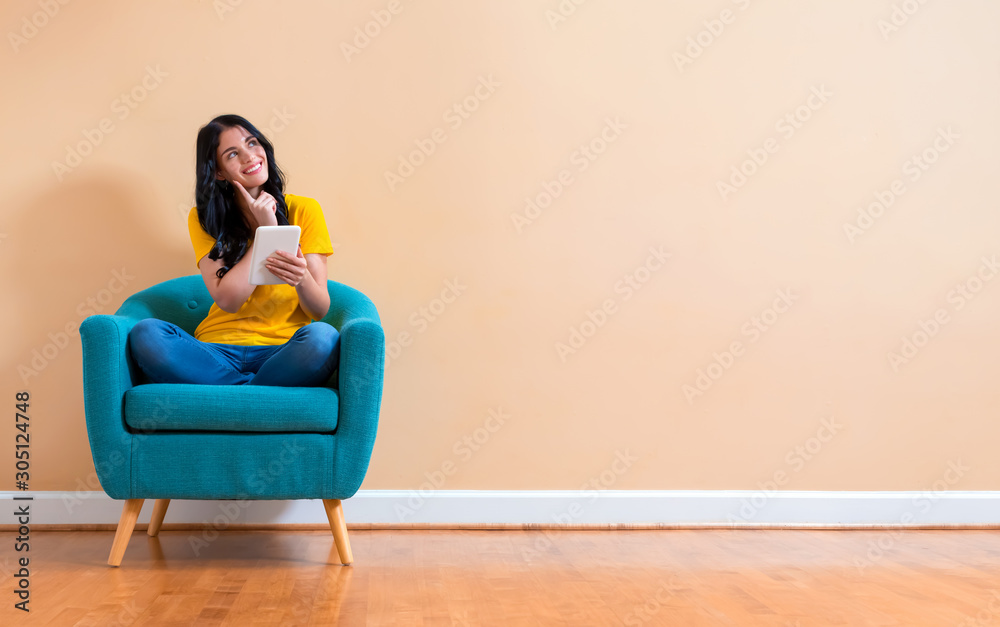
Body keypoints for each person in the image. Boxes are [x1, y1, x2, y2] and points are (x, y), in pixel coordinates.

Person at [128, 114, 339, 386]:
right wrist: (266, 232)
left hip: (283, 350)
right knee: (147, 333)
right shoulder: (204, 218)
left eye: (252, 143)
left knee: (323, 338)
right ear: (218, 172)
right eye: (232, 154)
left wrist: (302, 278)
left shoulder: (304, 210)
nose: (249, 157)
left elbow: (320, 309)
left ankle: (231, 390)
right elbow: (229, 300)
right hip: (216, 351)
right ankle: (256, 390)